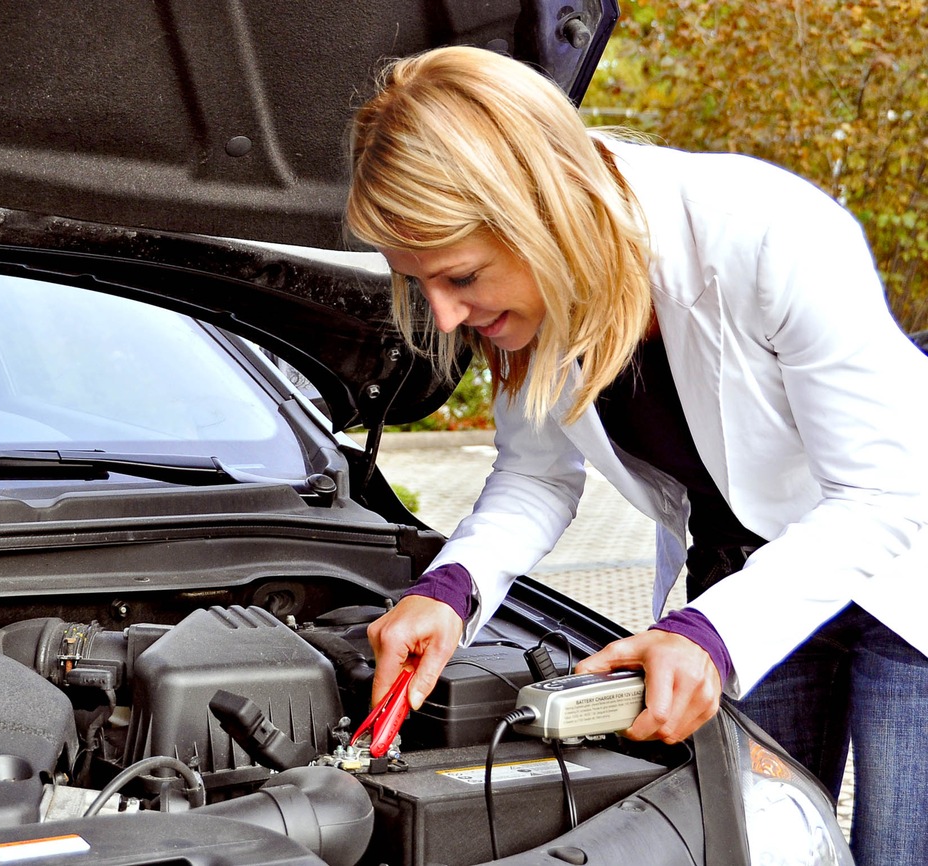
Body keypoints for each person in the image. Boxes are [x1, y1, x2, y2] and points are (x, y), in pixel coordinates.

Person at [345, 45, 928, 866]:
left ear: (538, 213)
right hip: (748, 574)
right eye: (420, 284)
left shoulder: (768, 236)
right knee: (752, 842)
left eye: (462, 276)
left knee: (899, 848)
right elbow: (535, 473)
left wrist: (710, 638)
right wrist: (450, 588)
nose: (443, 318)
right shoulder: (531, 299)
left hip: (905, 573)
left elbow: (885, 496)